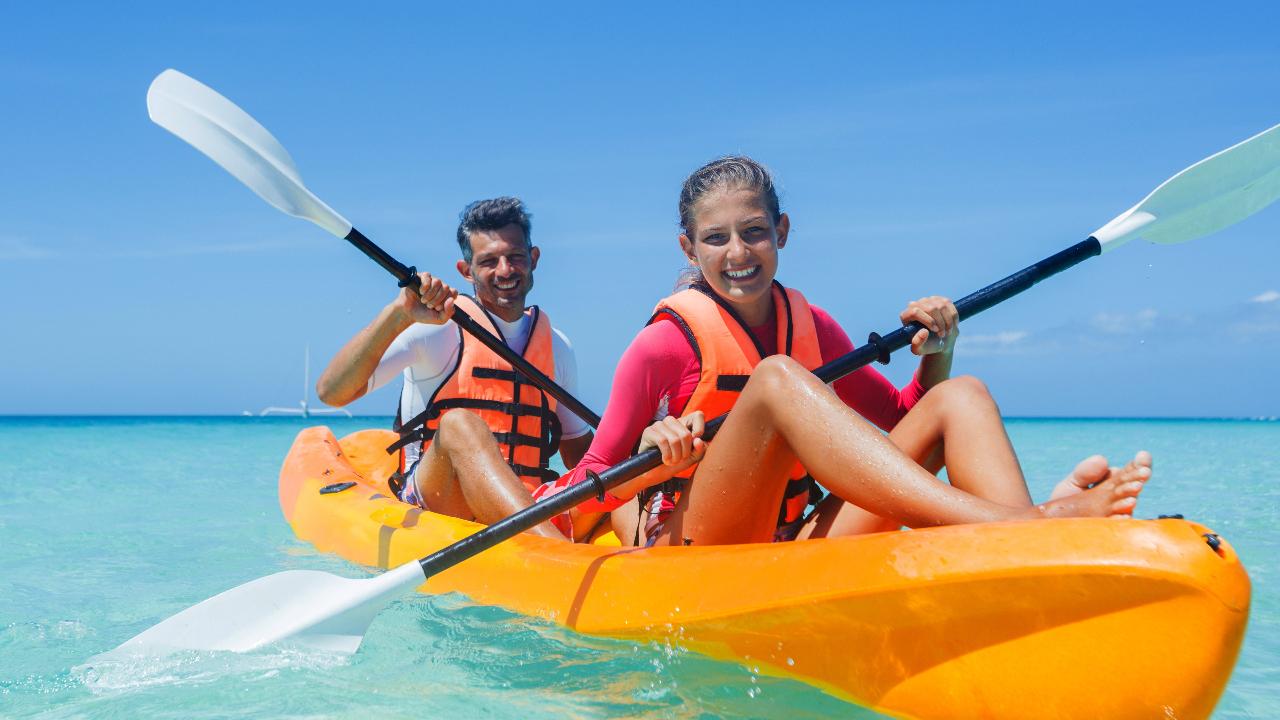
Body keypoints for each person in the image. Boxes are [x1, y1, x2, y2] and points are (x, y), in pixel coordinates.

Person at [538, 155, 1152, 546]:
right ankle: (1031, 521)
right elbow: (592, 477)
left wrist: (936, 352)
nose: (738, 253)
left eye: (754, 232)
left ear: (781, 232)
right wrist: (657, 460)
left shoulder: (812, 324)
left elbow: (905, 421)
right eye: (715, 238)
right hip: (696, 544)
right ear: (688, 249)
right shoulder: (663, 345)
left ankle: (1026, 546)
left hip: (795, 537)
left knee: (962, 395)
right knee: (777, 379)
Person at [316, 197, 593, 541]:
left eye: (515, 257)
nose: (505, 270)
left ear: (533, 259)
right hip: (440, 503)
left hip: (528, 499)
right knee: (458, 425)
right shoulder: (437, 329)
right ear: (466, 271)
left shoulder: (556, 345)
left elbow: (580, 452)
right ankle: (553, 552)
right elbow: (332, 392)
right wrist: (398, 315)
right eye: (489, 261)